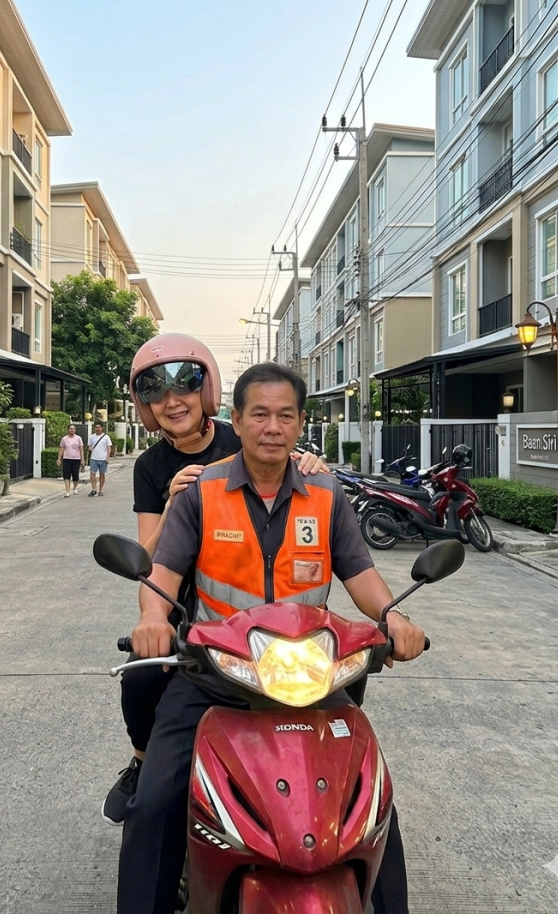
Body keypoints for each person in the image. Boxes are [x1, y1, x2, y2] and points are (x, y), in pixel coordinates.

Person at [116, 362, 425, 914]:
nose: (272, 427)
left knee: (371, 803)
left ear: (301, 422)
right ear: (236, 419)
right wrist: (154, 621)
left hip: (311, 676)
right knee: (157, 799)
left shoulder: (327, 496)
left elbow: (362, 576)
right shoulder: (202, 494)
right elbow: (160, 581)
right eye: (259, 414)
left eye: (285, 415)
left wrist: (393, 619)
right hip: (214, 675)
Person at [101, 333, 326, 826]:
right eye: (156, 393)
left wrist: (309, 465)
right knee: (140, 676)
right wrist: (172, 505)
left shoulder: (244, 436)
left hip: (274, 613)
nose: (172, 402)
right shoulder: (151, 467)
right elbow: (146, 554)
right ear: (145, 406)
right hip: (185, 609)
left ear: (207, 394)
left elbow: (292, 474)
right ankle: (143, 763)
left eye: (185, 387)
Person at [56, 424, 85, 497]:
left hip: (76, 459)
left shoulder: (78, 438)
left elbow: (81, 449)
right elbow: (62, 449)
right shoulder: (64, 439)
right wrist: (59, 459)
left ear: (75, 430)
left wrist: (82, 459)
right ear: (68, 430)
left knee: (75, 475)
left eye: (73, 429)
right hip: (66, 459)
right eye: (70, 429)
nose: (72, 430)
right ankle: (67, 491)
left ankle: (75, 488)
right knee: (66, 475)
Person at [87, 421, 113, 497]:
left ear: (102, 428)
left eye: (99, 427)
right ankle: (94, 489)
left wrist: (108, 457)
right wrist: (90, 448)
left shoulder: (106, 437)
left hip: (103, 459)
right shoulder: (91, 437)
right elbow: (89, 446)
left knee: (102, 474)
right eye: (96, 427)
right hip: (94, 458)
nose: (97, 429)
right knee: (92, 474)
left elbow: (109, 447)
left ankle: (101, 490)